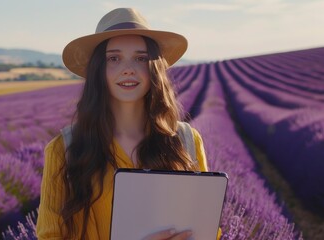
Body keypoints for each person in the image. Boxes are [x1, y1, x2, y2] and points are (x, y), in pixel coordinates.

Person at [36, 7, 213, 240]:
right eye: (114, 58)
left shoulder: (186, 141)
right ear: (98, 70)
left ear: (154, 69)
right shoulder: (64, 149)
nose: (128, 69)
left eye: (140, 58)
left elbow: (207, 229)